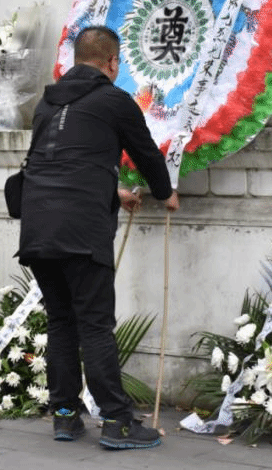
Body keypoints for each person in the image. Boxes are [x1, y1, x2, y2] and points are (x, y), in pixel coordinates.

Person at [17, 26, 179, 450]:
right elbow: (146, 153)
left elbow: (61, 162)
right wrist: (166, 193)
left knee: (61, 322)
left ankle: (65, 416)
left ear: (75, 60)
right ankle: (117, 422)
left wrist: (114, 192)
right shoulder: (115, 100)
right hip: (82, 232)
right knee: (94, 324)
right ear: (112, 62)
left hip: (38, 227)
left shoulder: (47, 103)